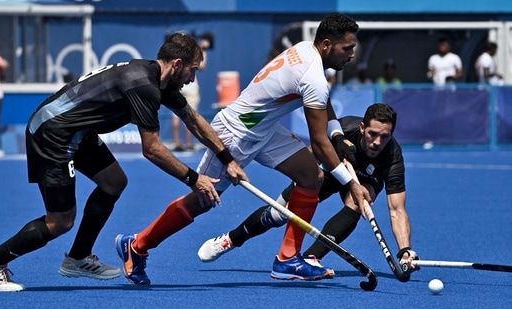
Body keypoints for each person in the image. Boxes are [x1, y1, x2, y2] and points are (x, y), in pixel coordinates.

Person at [0, 33, 247, 292]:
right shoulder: (145, 87)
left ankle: (77, 258)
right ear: (177, 64)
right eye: (193, 70)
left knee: (114, 182)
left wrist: (227, 159)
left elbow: (193, 120)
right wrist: (194, 180)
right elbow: (151, 149)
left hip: (77, 132)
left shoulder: (157, 78)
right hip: (53, 134)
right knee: (60, 221)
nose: (193, 77)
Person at [115, 12, 372, 286]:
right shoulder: (313, 78)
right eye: (347, 48)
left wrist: (337, 134)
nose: (352, 54)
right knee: (202, 200)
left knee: (312, 176)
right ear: (327, 45)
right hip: (235, 132)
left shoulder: (304, 51)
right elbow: (319, 144)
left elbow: (322, 104)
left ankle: (287, 260)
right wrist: (352, 185)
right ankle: (138, 244)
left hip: (265, 130)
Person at [198, 103, 420, 277]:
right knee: (278, 214)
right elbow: (312, 151)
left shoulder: (392, 158)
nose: (377, 142)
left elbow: (397, 209)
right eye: (372, 134)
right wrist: (305, 175)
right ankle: (231, 239)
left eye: (385, 136)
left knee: (361, 200)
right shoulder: (344, 130)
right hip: (330, 171)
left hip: (364, 184)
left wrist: (404, 251)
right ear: (362, 127)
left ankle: (312, 258)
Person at [172, 32, 214, 151]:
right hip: (190, 88)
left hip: (178, 85)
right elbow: (202, 66)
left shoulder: (177, 54)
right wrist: (203, 50)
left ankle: (177, 143)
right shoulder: (195, 53)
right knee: (190, 116)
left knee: (175, 116)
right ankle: (189, 144)